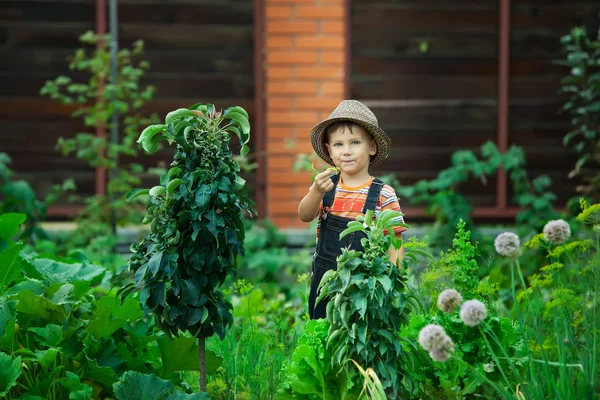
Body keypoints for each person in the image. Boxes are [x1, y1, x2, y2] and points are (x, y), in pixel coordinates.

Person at [298, 100, 408, 320]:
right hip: (326, 284)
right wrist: (315, 191)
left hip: (365, 288)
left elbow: (395, 242)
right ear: (329, 150)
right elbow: (304, 215)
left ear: (372, 147)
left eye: (355, 142)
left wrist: (393, 279)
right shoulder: (327, 187)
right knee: (324, 334)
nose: (346, 152)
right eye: (338, 144)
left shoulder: (384, 194)